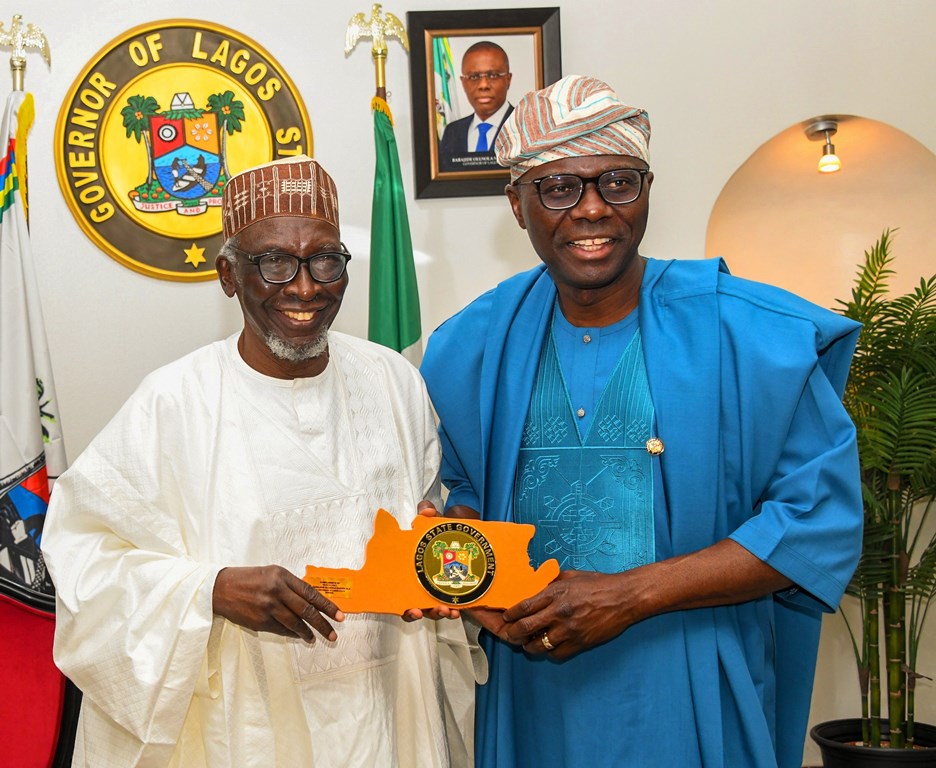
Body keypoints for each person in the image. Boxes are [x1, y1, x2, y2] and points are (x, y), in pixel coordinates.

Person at [420, 76, 864, 768]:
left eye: (617, 183)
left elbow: (816, 520)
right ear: (517, 203)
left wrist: (631, 594)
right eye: (560, 188)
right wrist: (467, 583)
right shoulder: (470, 344)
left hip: (691, 682)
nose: (593, 210)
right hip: (534, 694)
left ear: (648, 188)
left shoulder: (745, 331)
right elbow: (455, 497)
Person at [42, 156, 475, 767]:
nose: (304, 287)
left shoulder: (392, 381)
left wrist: (431, 539)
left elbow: (425, 512)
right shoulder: (173, 403)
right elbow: (83, 559)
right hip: (246, 731)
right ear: (227, 274)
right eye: (273, 261)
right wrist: (211, 590)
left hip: (382, 712)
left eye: (325, 259)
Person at [438, 41, 513, 173]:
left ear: (508, 79)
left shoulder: (525, 128)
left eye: (493, 75)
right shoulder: (452, 132)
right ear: (463, 83)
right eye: (474, 77)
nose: (483, 85)